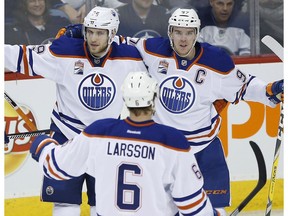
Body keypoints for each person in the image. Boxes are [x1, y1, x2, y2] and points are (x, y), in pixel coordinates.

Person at [53, 7, 284, 215]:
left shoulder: (216, 62)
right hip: (165, 151)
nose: (183, 38)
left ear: (197, 33)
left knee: (214, 211)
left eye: (189, 32)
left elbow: (244, 86)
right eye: (178, 32)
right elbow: (117, 40)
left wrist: (270, 90)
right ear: (169, 32)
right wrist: (76, 34)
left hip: (205, 150)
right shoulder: (153, 50)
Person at [5, 6, 147, 216]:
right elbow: (19, 55)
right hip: (66, 138)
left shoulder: (130, 58)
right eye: (89, 31)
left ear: (113, 34)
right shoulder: (64, 52)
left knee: (104, 206)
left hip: (106, 143)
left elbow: (164, 65)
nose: (93, 38)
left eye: (100, 33)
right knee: (65, 206)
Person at [30, 71, 220, 215]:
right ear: (154, 98)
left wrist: (42, 144)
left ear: (124, 99)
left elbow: (56, 166)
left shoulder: (99, 133)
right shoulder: (172, 141)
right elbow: (192, 204)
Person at [5, 0, 71, 45]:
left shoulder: (61, 23)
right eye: (32, 1)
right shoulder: (15, 31)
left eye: (40, 0)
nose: (37, 4)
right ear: (24, 4)